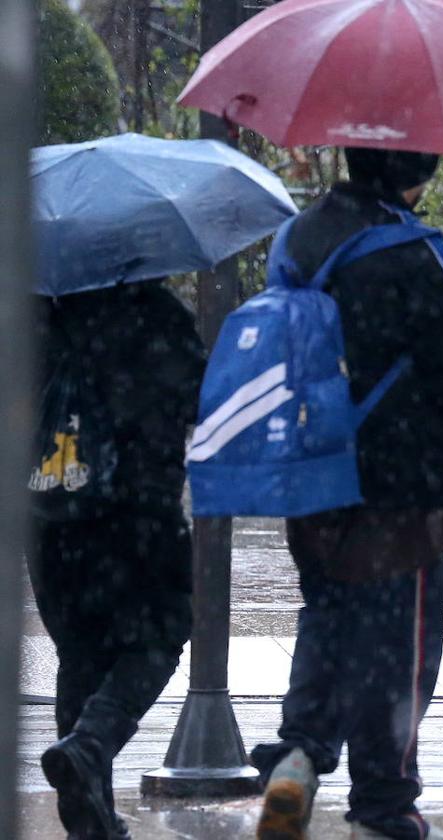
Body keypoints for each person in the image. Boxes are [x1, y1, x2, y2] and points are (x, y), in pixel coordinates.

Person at [252, 148, 443, 840]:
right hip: (403, 492)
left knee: (327, 621)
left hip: (315, 477)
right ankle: (384, 809)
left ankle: (298, 755)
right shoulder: (411, 252)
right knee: (400, 653)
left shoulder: (298, 239)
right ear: (416, 170)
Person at [28, 281, 205, 839]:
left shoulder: (43, 320)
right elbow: (201, 398)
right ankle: (90, 743)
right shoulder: (157, 316)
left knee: (79, 655)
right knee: (157, 637)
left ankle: (89, 821)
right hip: (138, 518)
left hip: (54, 520)